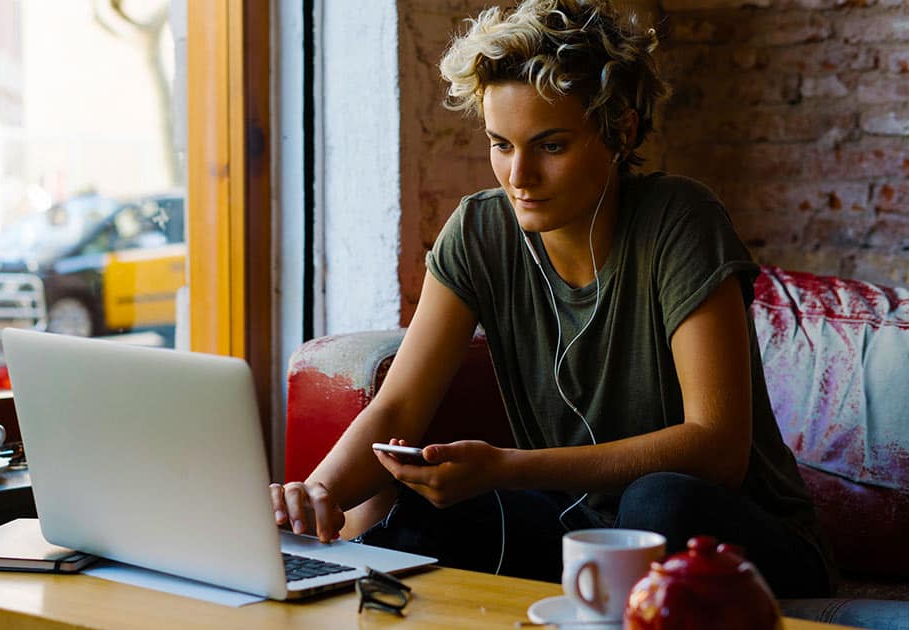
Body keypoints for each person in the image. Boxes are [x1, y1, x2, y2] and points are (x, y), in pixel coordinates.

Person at [269, 0, 834, 599]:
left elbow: (716, 448)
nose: (519, 175)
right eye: (501, 144)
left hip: (732, 538)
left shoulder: (681, 221)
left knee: (656, 498)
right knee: (416, 531)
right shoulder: (480, 232)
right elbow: (398, 406)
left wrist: (510, 469)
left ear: (621, 131)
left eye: (551, 146)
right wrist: (319, 492)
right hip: (580, 526)